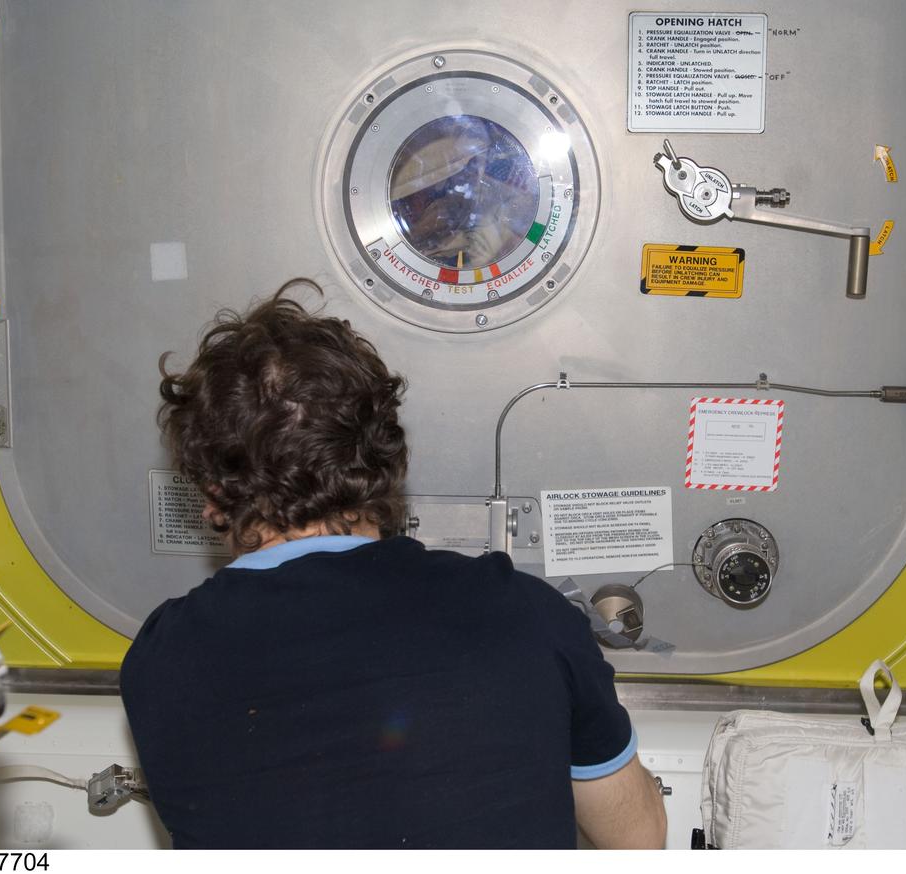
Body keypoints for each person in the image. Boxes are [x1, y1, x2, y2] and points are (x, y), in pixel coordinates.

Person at [120, 279, 667, 849]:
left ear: (210, 492)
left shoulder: (161, 661)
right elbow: (640, 840)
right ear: (388, 463)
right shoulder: (526, 617)